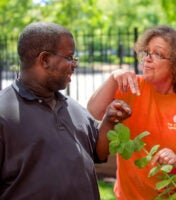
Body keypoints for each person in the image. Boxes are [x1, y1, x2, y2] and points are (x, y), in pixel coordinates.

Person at [0, 21, 132, 200]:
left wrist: (109, 120)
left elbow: (97, 152)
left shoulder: (71, 105)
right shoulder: (4, 113)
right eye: (69, 57)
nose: (75, 64)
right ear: (45, 59)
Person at [87, 25, 176, 199]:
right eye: (146, 52)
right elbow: (93, 112)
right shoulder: (133, 88)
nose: (147, 59)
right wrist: (113, 77)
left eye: (157, 54)